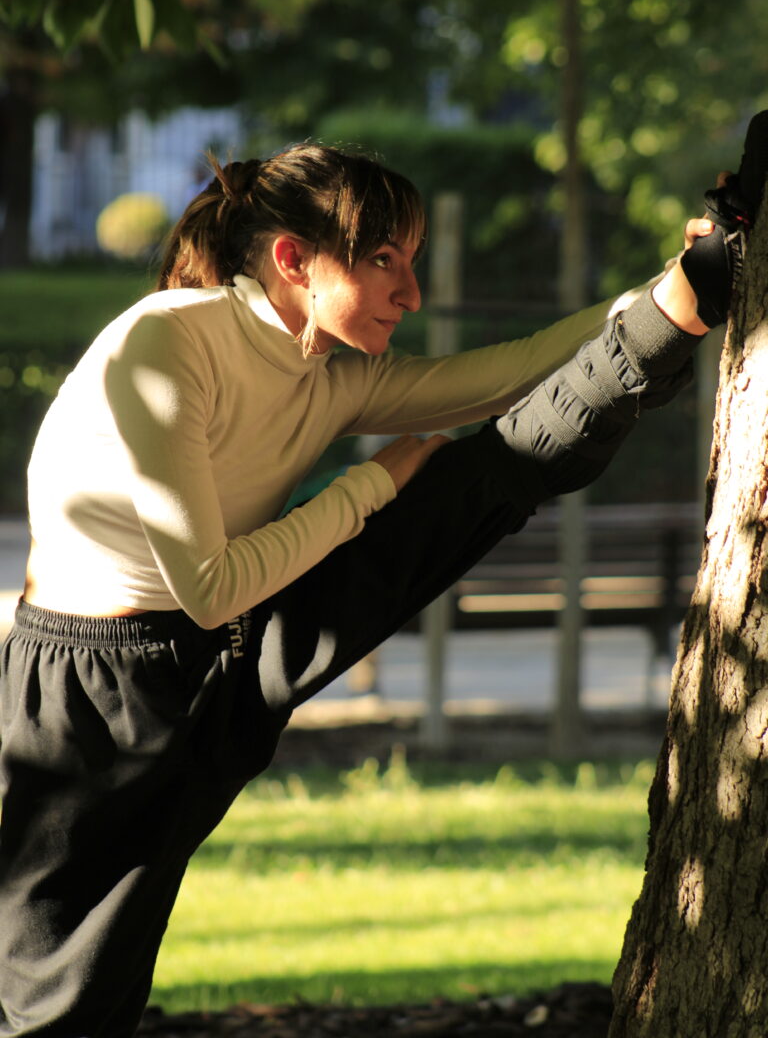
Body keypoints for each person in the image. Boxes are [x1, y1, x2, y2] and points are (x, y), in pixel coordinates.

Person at [0, 126, 762, 1036]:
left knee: (484, 479)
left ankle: (706, 282)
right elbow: (207, 584)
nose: (411, 291)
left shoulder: (329, 374)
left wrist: (673, 291)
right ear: (294, 259)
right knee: (58, 1000)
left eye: (415, 261)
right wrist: (371, 482)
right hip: (95, 691)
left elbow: (510, 373)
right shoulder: (163, 349)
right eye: (385, 260)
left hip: (221, 655)